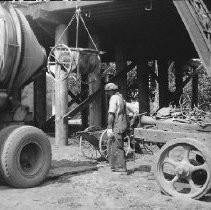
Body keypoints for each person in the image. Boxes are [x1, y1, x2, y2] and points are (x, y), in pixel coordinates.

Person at [104, 82, 129, 174]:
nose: (106, 93)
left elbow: (111, 114)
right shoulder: (121, 97)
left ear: (111, 91)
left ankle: (121, 168)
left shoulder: (114, 98)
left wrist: (109, 127)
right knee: (116, 145)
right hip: (123, 124)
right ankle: (115, 166)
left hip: (117, 125)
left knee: (118, 146)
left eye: (107, 92)